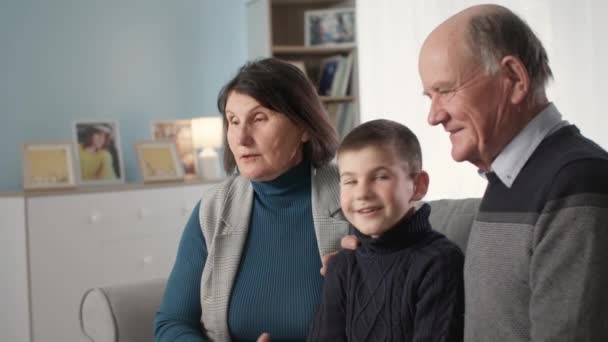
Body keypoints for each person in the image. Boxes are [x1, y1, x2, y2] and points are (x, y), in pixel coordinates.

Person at [418, 4, 608, 341]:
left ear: (514, 79)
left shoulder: (577, 181)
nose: (434, 116)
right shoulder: (509, 177)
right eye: (429, 96)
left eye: (445, 90)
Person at [153, 57, 350, 342]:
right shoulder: (213, 209)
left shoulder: (353, 196)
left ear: (304, 127)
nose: (242, 138)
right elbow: (171, 323)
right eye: (233, 121)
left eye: (259, 119)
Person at [307, 119, 464, 341]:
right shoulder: (343, 266)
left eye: (380, 177)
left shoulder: (439, 262)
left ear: (418, 186)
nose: (362, 193)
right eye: (350, 181)